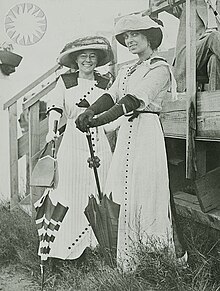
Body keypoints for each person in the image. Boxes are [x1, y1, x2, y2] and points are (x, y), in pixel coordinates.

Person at [75, 14, 184, 271]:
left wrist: (98, 121)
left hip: (146, 132)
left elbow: (132, 101)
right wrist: (89, 111)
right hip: (127, 134)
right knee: (122, 190)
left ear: (150, 37)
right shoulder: (126, 69)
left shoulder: (159, 67)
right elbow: (111, 96)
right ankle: (129, 258)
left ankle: (154, 257)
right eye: (126, 37)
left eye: (135, 34)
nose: (130, 40)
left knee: (146, 192)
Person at [35, 36, 113, 262]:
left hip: (98, 142)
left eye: (92, 56)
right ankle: (65, 251)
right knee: (70, 191)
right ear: (75, 60)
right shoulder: (65, 81)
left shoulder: (105, 82)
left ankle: (96, 248)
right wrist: (52, 129)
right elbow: (56, 106)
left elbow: (111, 111)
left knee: (98, 189)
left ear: (97, 60)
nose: (88, 60)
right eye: (83, 56)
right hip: (73, 141)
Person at [157, 0, 220, 92]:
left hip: (213, 52)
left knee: (214, 59)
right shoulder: (189, 3)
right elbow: (162, 4)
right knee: (213, 36)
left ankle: (215, 101)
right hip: (191, 53)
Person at [0, 43, 22, 202]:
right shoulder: (8, 84)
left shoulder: (11, 84)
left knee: (9, 156)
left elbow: (18, 108)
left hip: (9, 123)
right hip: (4, 122)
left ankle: (10, 193)